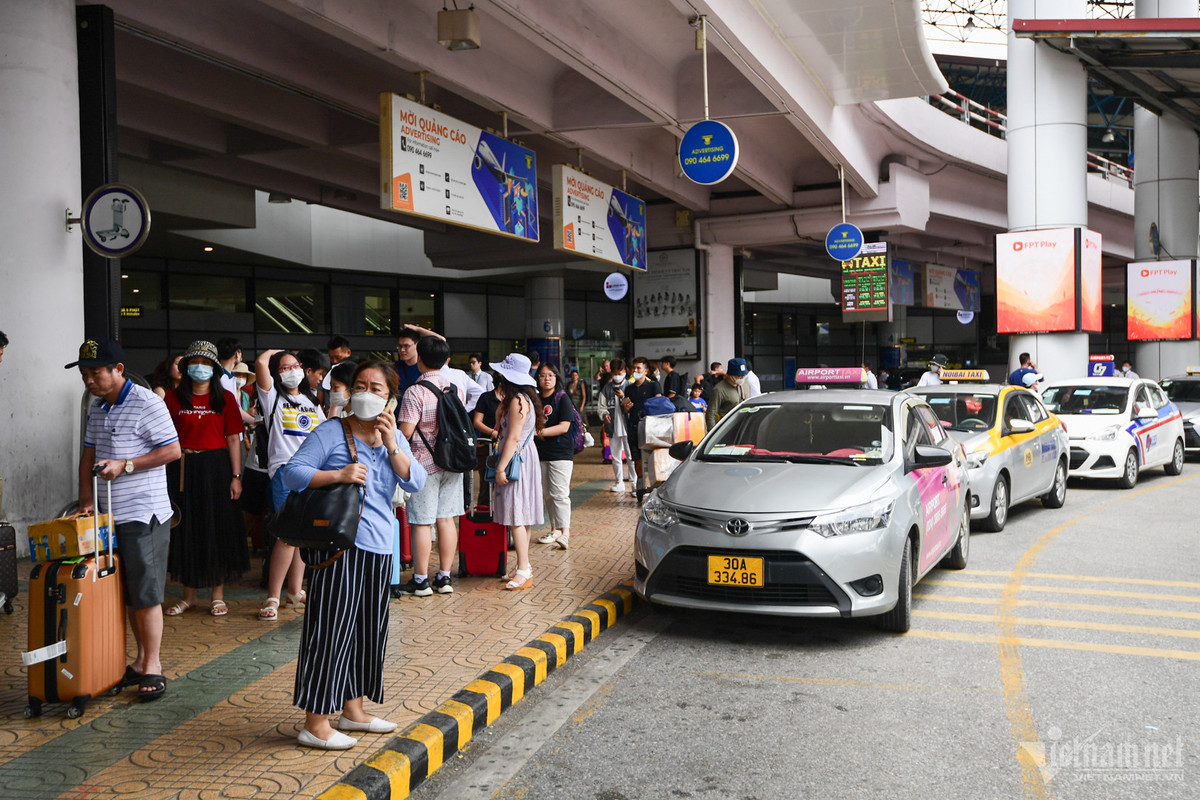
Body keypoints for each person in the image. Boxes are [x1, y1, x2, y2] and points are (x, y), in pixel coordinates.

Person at [282, 360, 427, 750]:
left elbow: (416, 481)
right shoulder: (332, 432)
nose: (365, 392)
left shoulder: (392, 436)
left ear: (389, 397)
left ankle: (353, 710)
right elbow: (292, 473)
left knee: (366, 633)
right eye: (359, 385)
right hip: (339, 550)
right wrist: (338, 475)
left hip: (382, 548)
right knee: (330, 632)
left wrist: (393, 443)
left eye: (376, 388)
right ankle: (315, 722)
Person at [70, 338, 182, 700]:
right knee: (127, 593)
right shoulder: (99, 408)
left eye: (96, 373)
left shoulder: (147, 402)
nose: (90, 381)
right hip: (107, 513)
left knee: (146, 592)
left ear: (118, 369)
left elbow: (172, 450)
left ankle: (153, 665)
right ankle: (138, 660)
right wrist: (86, 500)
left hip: (142, 511)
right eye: (85, 374)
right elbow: (88, 456)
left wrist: (126, 464)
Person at [163, 341, 249, 616]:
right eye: (195, 362)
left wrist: (236, 476)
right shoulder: (173, 398)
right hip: (183, 468)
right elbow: (163, 438)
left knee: (217, 527)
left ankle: (217, 595)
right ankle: (189, 596)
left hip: (217, 468)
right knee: (186, 528)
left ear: (214, 368)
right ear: (186, 367)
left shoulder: (225, 399)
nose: (200, 368)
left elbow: (234, 439)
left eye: (206, 363)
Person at [254, 348, 326, 621]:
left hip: (310, 472)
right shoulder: (272, 397)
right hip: (284, 471)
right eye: (284, 367)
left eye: (295, 365)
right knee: (286, 536)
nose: (291, 370)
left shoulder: (312, 401)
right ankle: (273, 596)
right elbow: (261, 362)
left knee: (302, 534)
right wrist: (277, 352)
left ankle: (295, 591)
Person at [395, 336, 466, 597]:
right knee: (446, 519)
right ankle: (445, 577)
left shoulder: (416, 392)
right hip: (452, 461)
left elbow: (404, 434)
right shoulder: (452, 387)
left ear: (420, 359)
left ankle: (421, 579)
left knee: (422, 523)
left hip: (424, 464)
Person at [489, 353, 544, 590]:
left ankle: (524, 569)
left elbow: (511, 438)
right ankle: (523, 565)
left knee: (516, 514)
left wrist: (501, 467)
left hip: (515, 459)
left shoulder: (516, 401)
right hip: (525, 457)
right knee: (521, 513)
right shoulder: (525, 399)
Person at [533, 364, 577, 549]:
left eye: (550, 375)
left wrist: (539, 432)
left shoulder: (562, 398)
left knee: (560, 494)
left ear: (556, 377)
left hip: (561, 454)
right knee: (548, 495)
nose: (546, 379)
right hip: (541, 453)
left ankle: (565, 532)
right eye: (542, 375)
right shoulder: (534, 399)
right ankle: (554, 529)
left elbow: (564, 426)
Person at [622, 357, 662, 490]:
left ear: (645, 371)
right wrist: (626, 407)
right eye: (634, 368)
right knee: (636, 455)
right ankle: (640, 482)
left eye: (639, 368)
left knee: (651, 453)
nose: (635, 371)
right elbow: (626, 407)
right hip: (634, 425)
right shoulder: (629, 389)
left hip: (650, 426)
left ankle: (654, 482)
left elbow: (659, 404)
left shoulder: (653, 386)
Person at [598, 359, 635, 492]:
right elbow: (601, 406)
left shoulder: (631, 386)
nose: (617, 375)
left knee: (631, 455)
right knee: (615, 455)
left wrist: (624, 396)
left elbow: (635, 405)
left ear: (625, 372)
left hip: (628, 426)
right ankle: (619, 481)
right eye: (615, 373)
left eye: (620, 372)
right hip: (612, 427)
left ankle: (634, 480)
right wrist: (604, 414)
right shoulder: (607, 388)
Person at [471, 387, 502, 507]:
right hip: (488, 445)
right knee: (486, 483)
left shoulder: (514, 397)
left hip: (508, 444)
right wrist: (492, 432)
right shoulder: (486, 397)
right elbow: (477, 422)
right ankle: (483, 514)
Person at [706, 358, 749, 429]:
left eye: (744, 375)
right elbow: (711, 413)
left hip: (745, 427)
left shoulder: (746, 385)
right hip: (728, 428)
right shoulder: (719, 389)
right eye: (739, 376)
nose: (742, 378)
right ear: (730, 375)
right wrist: (714, 435)